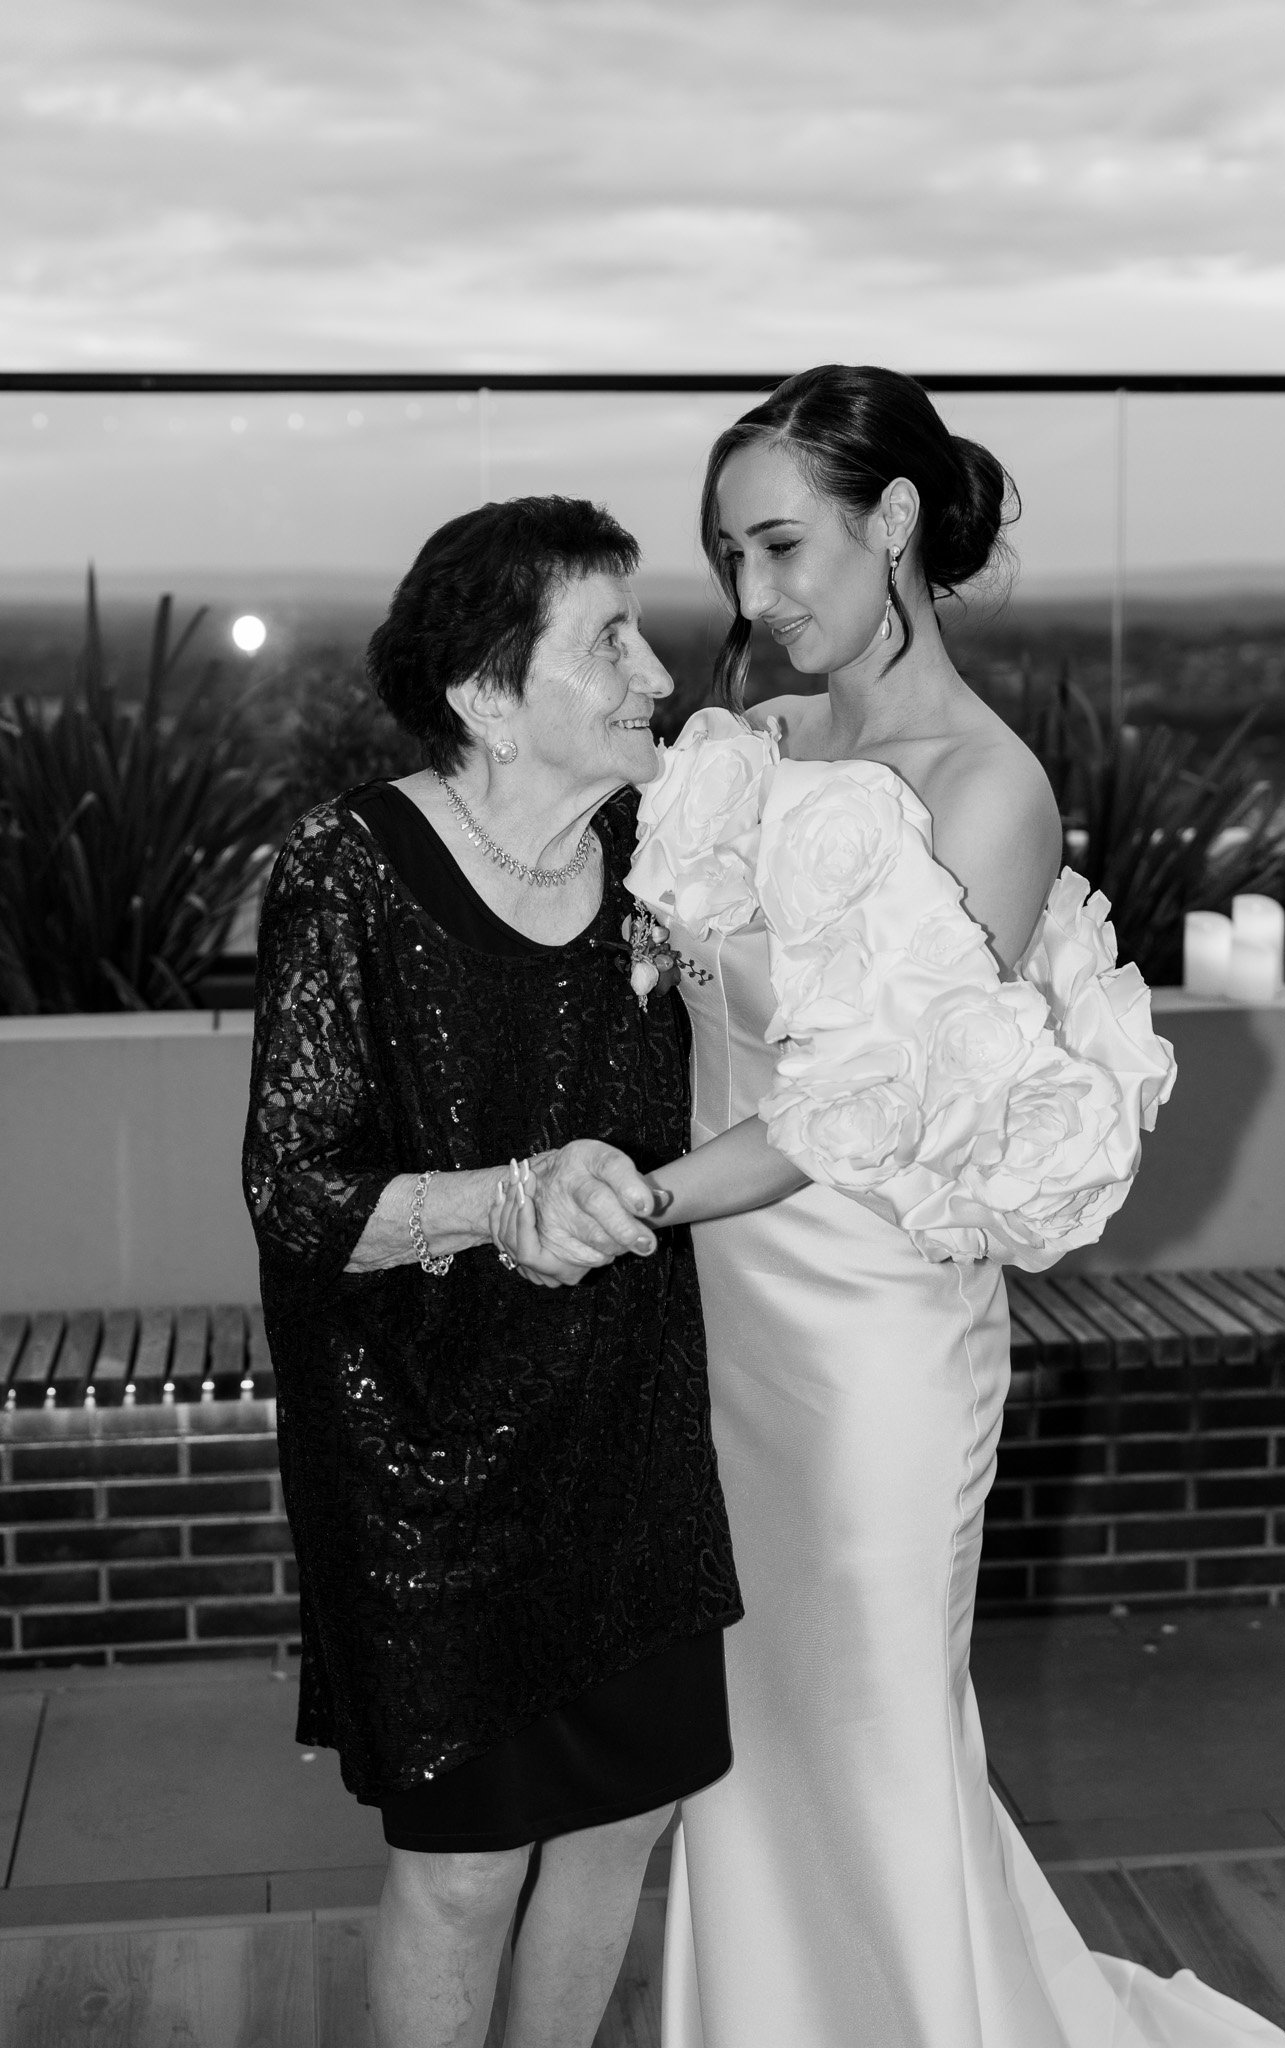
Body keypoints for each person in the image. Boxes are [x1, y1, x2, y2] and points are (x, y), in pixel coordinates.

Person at [495, 368, 1285, 2046]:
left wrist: (629, 1197)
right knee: (745, 1735)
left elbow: (853, 1115)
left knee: (866, 1723)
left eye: (785, 546)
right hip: (703, 1319)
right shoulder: (745, 751)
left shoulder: (987, 790)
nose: (758, 598)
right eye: (730, 558)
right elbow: (645, 986)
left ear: (896, 523)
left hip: (864, 1347)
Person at [242, 495, 742, 2048]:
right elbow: (296, 1190)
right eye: (606, 640)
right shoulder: (349, 868)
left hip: (624, 1426)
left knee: (619, 1827)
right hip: (423, 1455)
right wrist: (504, 1197)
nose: (653, 671)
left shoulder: (666, 866)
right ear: (484, 695)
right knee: (463, 1873)